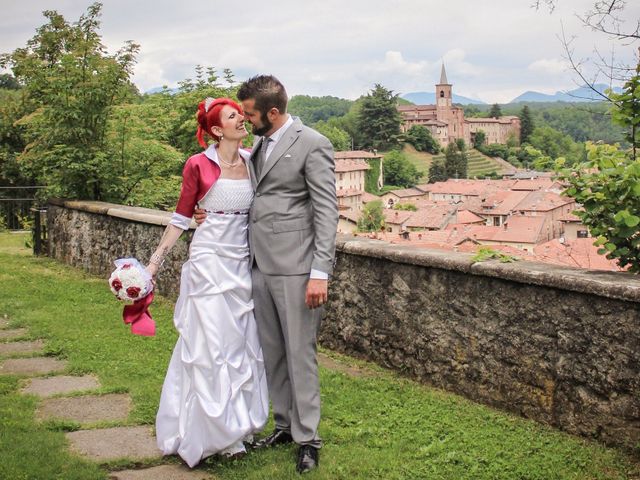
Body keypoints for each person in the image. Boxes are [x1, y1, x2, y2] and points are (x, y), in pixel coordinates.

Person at [195, 75, 338, 473]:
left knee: (300, 353)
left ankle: (309, 438)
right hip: (255, 263)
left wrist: (320, 272)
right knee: (271, 353)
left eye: (251, 114)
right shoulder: (256, 145)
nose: (246, 119)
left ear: (273, 113)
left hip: (297, 268)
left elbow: (327, 212)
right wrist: (205, 209)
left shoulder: (313, 143)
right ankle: (285, 425)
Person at [147, 97, 268, 468]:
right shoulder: (197, 164)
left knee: (242, 344)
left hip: (241, 263)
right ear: (217, 130)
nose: (242, 120)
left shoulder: (252, 161)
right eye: (234, 117)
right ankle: (212, 431)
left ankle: (240, 425)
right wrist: (153, 264)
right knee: (212, 344)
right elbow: (182, 217)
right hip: (208, 262)